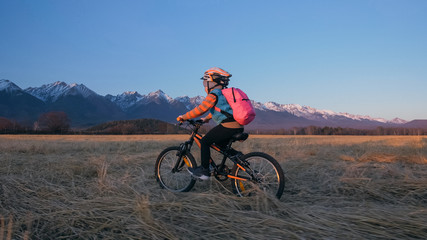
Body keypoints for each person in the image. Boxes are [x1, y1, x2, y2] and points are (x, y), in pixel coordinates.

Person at [177, 67, 244, 180]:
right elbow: (221, 110)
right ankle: (237, 156)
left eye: (205, 83)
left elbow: (201, 109)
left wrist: (183, 117)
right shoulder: (224, 94)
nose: (205, 86)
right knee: (220, 144)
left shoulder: (214, 94)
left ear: (213, 82)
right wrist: (206, 119)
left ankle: (204, 171)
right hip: (237, 125)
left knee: (205, 141)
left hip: (228, 126)